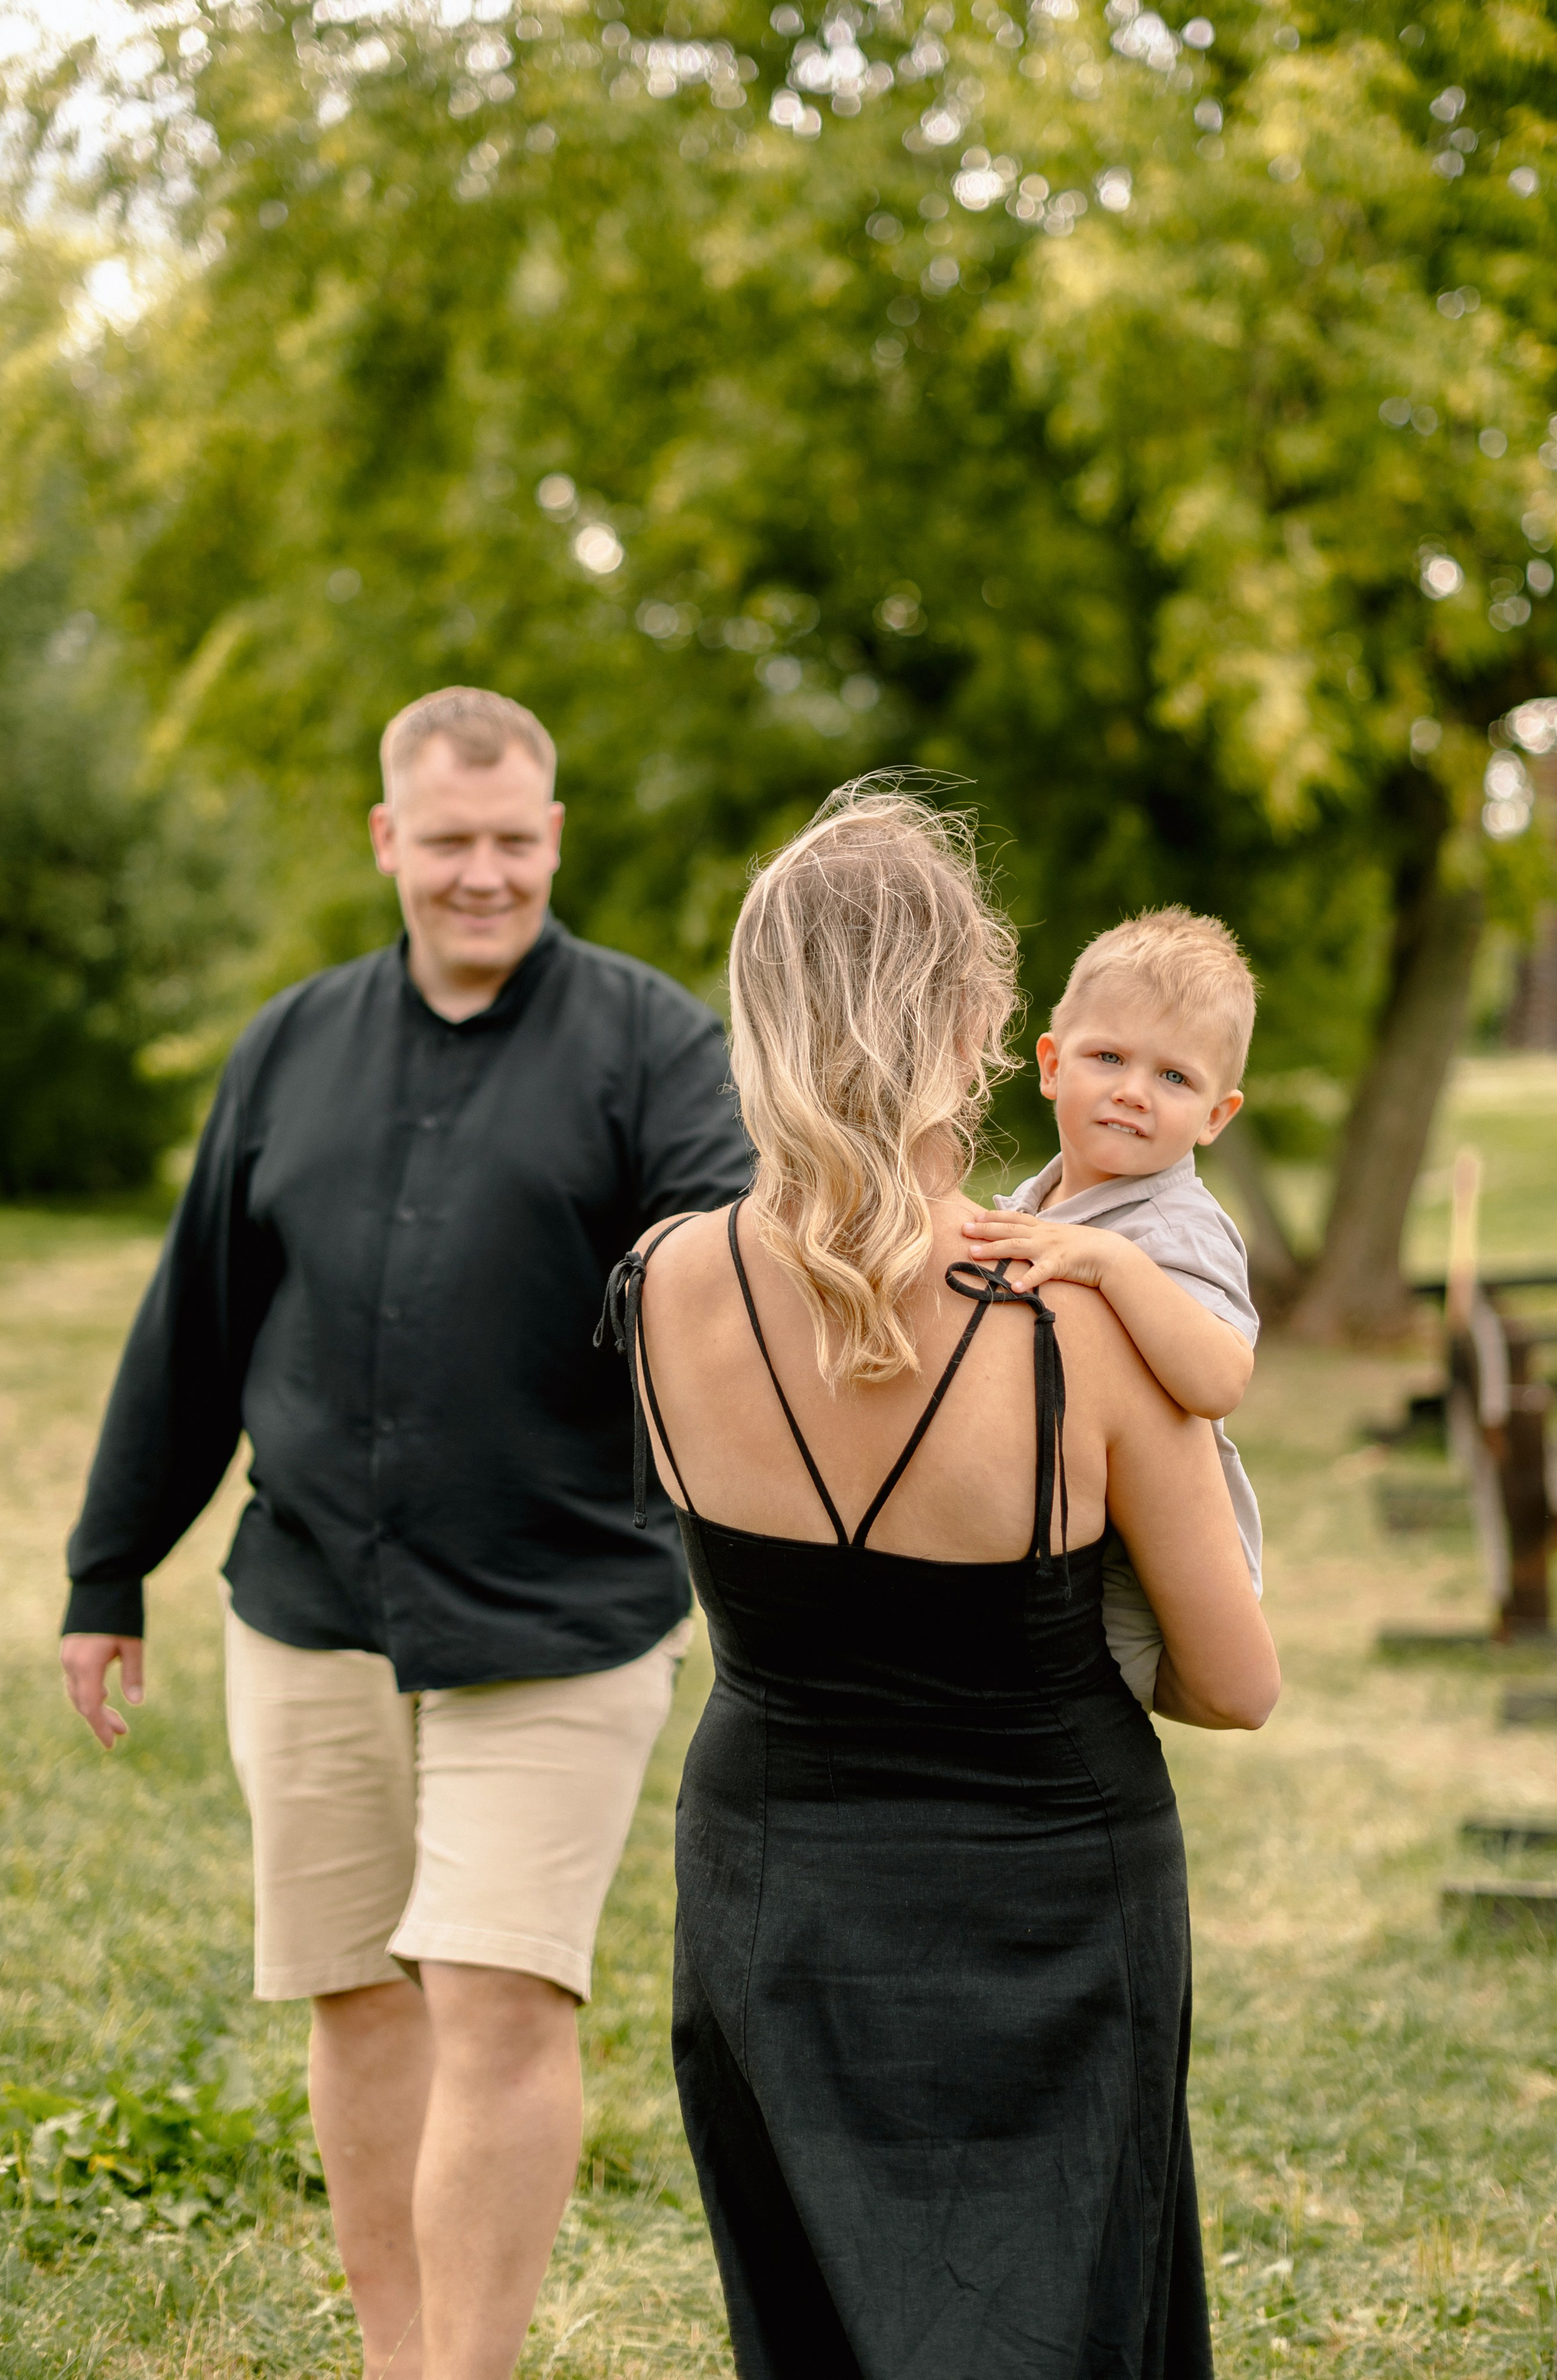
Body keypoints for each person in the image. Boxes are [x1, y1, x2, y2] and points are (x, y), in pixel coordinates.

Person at [59, 686, 749, 2380]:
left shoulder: (655, 1048)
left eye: (516, 839)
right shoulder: (289, 1047)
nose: (485, 875)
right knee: (361, 2006)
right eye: (450, 841)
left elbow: (729, 1291)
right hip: (309, 1614)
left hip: (562, 1618)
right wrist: (108, 1568)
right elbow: (196, 1323)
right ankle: (395, 2362)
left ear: (555, 837)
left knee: (503, 2001)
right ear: (389, 839)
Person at [604, 791, 1280, 2378]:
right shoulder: (1077, 1318)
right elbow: (1233, 1684)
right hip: (1049, 1894)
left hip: (770, 1885)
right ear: (985, 1027)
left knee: (817, 2325)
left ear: (757, 1020)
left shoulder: (657, 1287)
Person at [960, 907, 1265, 1708]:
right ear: (1054, 1065)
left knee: (1062, 1702)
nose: (1133, 1092)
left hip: (1140, 1570)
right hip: (1062, 1515)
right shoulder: (1041, 1195)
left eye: (1174, 1077)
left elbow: (1220, 1379)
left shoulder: (1174, 1229)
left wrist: (1113, 1264)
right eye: (1109, 1057)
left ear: (1215, 1117)